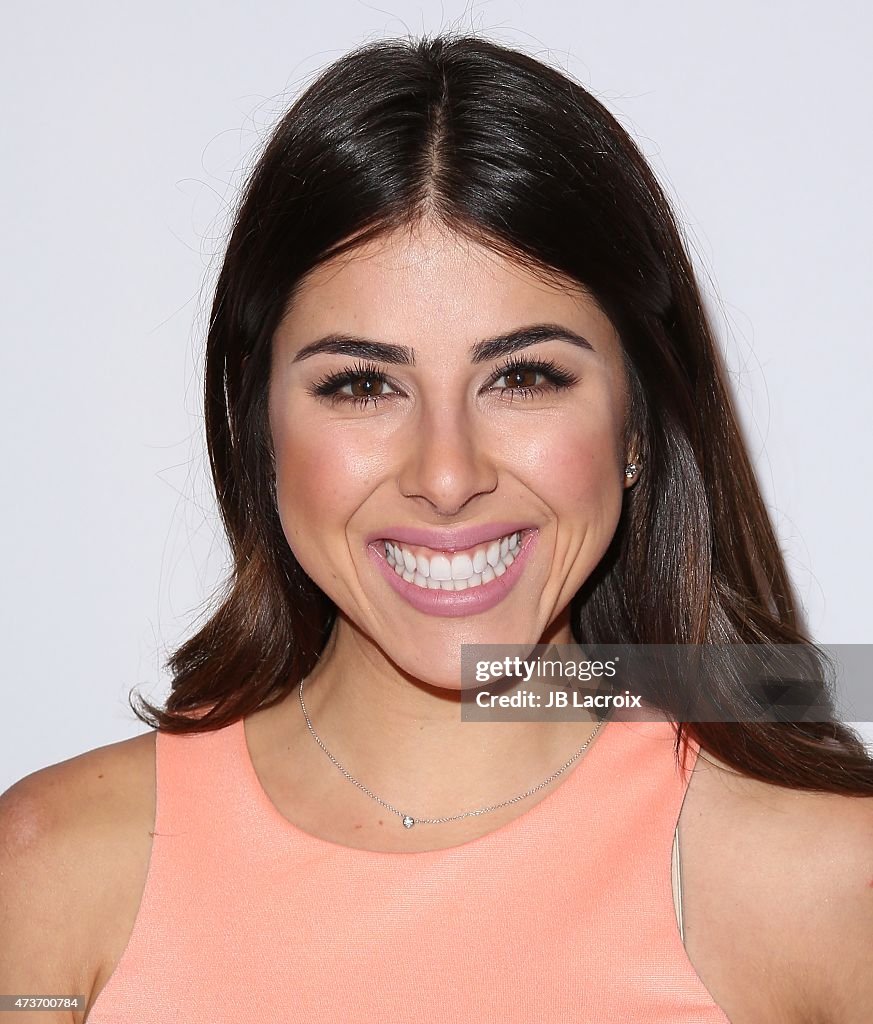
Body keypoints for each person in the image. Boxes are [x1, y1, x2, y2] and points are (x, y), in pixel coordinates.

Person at [2, 32, 872, 1024]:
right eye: (363, 384)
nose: (447, 475)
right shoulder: (54, 875)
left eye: (523, 376)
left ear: (634, 424)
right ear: (260, 427)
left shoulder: (829, 887)